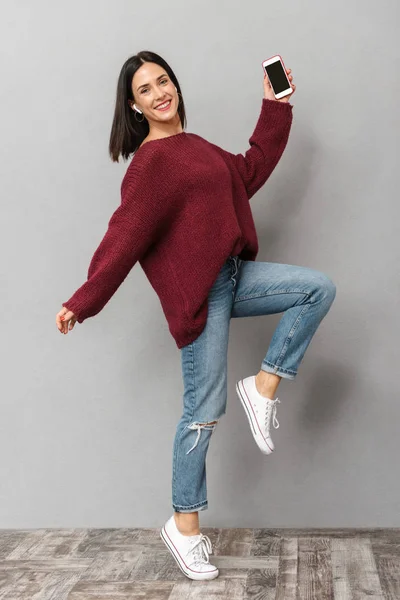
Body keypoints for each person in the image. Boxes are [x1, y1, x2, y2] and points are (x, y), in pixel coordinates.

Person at [55, 50, 336, 581]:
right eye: (145, 90)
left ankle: (264, 385)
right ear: (134, 106)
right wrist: (83, 301)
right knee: (202, 412)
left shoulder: (197, 148)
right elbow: (124, 237)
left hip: (233, 275)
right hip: (200, 297)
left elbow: (249, 171)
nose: (160, 92)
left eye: (164, 81)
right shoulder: (150, 164)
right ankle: (185, 528)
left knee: (315, 289)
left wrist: (274, 106)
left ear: (175, 86)